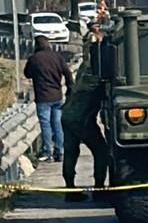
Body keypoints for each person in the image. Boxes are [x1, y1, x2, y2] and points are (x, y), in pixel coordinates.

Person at [61, 21, 112, 202]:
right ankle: (99, 188)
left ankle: (70, 190)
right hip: (82, 118)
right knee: (102, 152)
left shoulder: (84, 68)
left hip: (68, 114)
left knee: (70, 153)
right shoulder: (96, 74)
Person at [23, 35, 73, 164]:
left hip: (43, 97)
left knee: (46, 125)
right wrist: (70, 89)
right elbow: (68, 73)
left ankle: (47, 152)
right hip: (57, 96)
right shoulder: (57, 57)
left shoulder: (34, 59)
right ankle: (60, 151)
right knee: (57, 124)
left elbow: (27, 73)